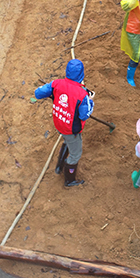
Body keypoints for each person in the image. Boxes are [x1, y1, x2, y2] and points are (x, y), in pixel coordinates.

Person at [34, 59, 94, 187]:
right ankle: (69, 180)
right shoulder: (82, 95)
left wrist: (52, 91)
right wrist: (90, 101)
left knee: (67, 141)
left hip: (59, 123)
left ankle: (59, 166)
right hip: (71, 129)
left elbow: (38, 94)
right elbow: (84, 115)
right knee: (75, 154)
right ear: (82, 75)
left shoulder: (56, 84)